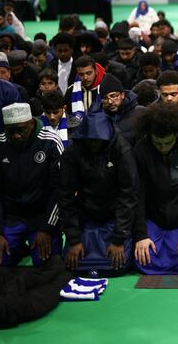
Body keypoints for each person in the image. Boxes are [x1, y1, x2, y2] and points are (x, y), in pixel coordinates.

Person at [0, 103, 63, 267]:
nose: (16, 136)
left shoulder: (51, 142)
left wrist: (47, 228)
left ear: (31, 124)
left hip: (42, 216)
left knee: (46, 263)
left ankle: (29, 243)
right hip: (11, 218)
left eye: (21, 130)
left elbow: (59, 190)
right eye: (10, 131)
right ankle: (17, 247)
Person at [59, 110, 138, 276]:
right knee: (74, 264)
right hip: (85, 215)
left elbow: (128, 195)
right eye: (90, 140)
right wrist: (74, 239)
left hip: (114, 215)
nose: (94, 144)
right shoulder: (72, 153)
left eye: (98, 140)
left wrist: (118, 239)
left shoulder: (122, 149)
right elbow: (65, 196)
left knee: (118, 266)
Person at [133, 103, 178, 274]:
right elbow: (138, 194)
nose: (163, 148)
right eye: (158, 143)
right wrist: (141, 236)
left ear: (177, 136)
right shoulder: (141, 148)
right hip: (154, 219)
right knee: (143, 260)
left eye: (168, 143)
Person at [100, 73, 145, 145]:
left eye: (113, 96)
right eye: (105, 98)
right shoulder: (98, 118)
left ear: (122, 95)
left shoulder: (140, 113)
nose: (110, 102)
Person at [64, 56, 106, 126]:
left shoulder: (105, 87)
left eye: (88, 73)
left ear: (96, 71)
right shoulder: (71, 90)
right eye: (81, 74)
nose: (85, 78)